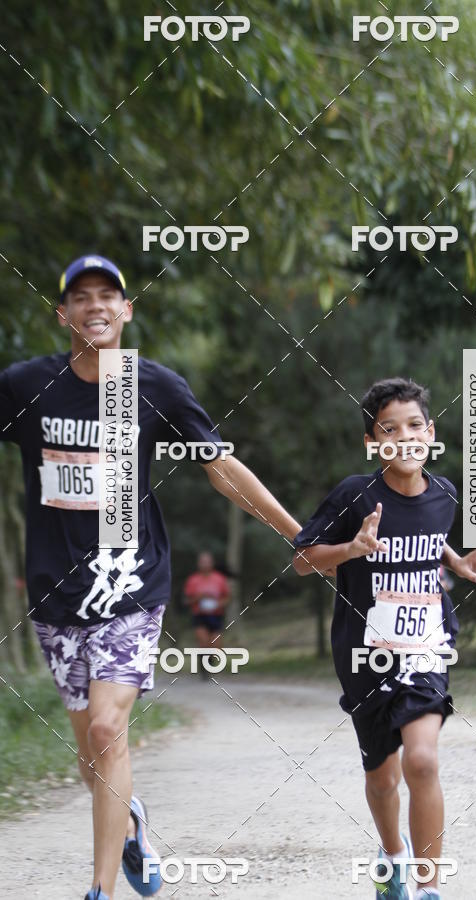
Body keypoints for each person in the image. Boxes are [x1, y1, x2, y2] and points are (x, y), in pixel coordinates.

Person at [0, 255, 301, 900]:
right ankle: (133, 823)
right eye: (79, 298)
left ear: (126, 310)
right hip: (56, 594)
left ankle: (100, 890)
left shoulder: (151, 387)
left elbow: (219, 466)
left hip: (132, 583)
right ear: (62, 315)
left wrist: (296, 532)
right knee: (92, 757)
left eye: (107, 295)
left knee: (110, 732)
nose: (94, 307)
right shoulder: (28, 386)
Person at [292, 377, 476, 900]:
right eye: (390, 429)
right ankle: (393, 857)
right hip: (365, 655)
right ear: (373, 442)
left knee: (424, 759)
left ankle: (431, 888)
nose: (405, 438)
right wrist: (352, 548)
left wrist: (458, 560)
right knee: (384, 778)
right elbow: (302, 561)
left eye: (415, 426)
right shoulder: (353, 494)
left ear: (431, 433)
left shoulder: (447, 494)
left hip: (426, 645)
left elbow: (430, 542)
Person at [183, 551, 230, 669]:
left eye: (207, 562)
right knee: (203, 641)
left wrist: (219, 603)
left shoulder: (219, 579)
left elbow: (228, 598)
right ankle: (204, 667)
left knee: (216, 646)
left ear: (212, 563)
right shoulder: (193, 580)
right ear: (198, 564)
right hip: (199, 615)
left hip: (216, 615)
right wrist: (198, 598)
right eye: (202, 562)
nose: (205, 564)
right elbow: (186, 601)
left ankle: (209, 661)